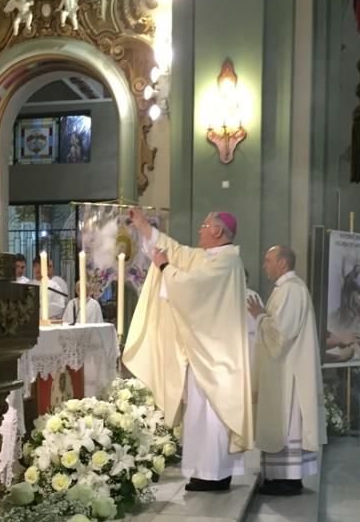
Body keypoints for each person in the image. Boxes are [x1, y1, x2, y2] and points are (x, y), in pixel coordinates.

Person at [123, 208, 253, 492]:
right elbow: (176, 251)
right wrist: (144, 227)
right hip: (204, 352)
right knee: (200, 414)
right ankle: (206, 472)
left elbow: (194, 287)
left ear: (218, 231)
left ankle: (215, 475)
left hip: (218, 358)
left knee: (213, 414)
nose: (200, 230)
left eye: (205, 225)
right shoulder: (209, 258)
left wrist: (165, 269)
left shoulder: (226, 262)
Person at [247, 246, 326, 496]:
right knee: (282, 422)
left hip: (289, 375)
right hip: (282, 371)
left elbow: (282, 335)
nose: (264, 265)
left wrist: (260, 316)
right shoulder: (285, 289)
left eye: (268, 260)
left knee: (288, 422)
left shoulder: (292, 290)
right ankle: (278, 477)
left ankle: (288, 479)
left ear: (282, 263)